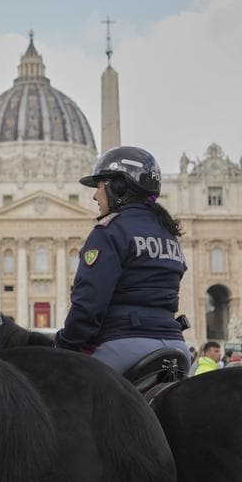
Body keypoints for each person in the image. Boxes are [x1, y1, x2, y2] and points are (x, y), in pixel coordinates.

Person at [55, 146, 189, 373]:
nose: (95, 196)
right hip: (177, 346)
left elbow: (89, 305)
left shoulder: (109, 231)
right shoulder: (168, 233)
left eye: (99, 186)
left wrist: (63, 344)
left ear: (116, 187)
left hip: (123, 344)